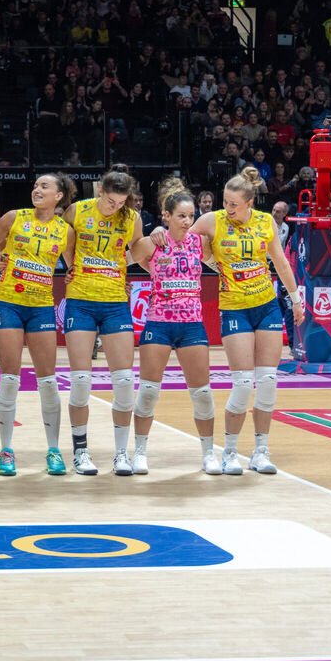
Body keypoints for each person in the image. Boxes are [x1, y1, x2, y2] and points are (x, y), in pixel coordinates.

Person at [153, 167, 304, 474]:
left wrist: (296, 299)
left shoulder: (265, 222)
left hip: (266, 306)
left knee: (267, 382)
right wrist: (159, 231)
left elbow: (280, 262)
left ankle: (261, 451)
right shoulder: (213, 220)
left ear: (250, 203)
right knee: (244, 384)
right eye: (225, 201)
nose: (227, 208)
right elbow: (181, 235)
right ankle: (230, 452)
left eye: (234, 204)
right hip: (234, 308)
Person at [130, 179, 221, 475]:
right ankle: (139, 452)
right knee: (148, 392)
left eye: (191, 216)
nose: (187, 221)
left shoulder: (200, 243)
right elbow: (122, 259)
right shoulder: (152, 242)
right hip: (158, 323)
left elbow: (224, 261)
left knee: (202, 393)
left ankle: (209, 454)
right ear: (166, 216)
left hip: (192, 325)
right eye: (181, 215)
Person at [0, 172, 77, 476]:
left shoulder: (65, 231)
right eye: (36, 185)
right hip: (9, 304)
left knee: (48, 381)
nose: (37, 189)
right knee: (9, 378)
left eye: (44, 186)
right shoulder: (14, 217)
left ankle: (53, 450)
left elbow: (74, 267)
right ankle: (6, 450)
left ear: (59, 196)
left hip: (41, 307)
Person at [62, 169, 143, 476]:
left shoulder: (131, 218)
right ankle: (80, 452)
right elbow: (62, 241)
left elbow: (137, 251)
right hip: (81, 300)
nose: (115, 207)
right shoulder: (77, 210)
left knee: (124, 381)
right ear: (100, 191)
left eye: (121, 202)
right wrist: (70, 266)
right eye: (111, 201)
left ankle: (121, 454)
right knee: (81, 380)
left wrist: (120, 267)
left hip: (115, 303)